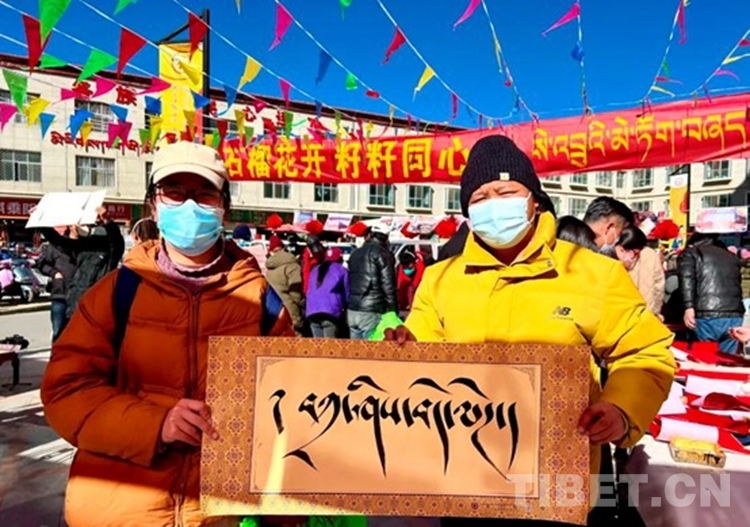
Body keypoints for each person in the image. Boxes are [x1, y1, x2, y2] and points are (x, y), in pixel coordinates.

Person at [384, 135, 675, 526]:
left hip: (555, 484)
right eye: (480, 198)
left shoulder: (592, 272)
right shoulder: (440, 279)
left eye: (506, 192)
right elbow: (424, 354)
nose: (493, 204)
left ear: (534, 200)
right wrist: (404, 349)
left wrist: (622, 408)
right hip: (466, 479)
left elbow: (644, 352)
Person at [40, 141, 295, 527]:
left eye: (205, 194)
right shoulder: (116, 294)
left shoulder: (262, 302)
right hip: (120, 511)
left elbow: (295, 406)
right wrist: (154, 425)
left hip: (216, 515)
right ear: (154, 207)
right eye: (174, 192)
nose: (190, 205)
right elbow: (66, 392)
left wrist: (385, 368)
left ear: (224, 208)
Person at [39, 207, 125, 320]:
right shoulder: (84, 248)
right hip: (75, 305)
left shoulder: (111, 252)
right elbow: (60, 242)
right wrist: (39, 221)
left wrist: (107, 221)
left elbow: (116, 240)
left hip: (97, 307)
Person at [678, 232, 745, 353]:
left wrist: (688, 307)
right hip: (734, 313)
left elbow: (686, 280)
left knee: (703, 357)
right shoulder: (731, 256)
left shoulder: (691, 253)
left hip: (705, 313)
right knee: (727, 358)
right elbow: (737, 283)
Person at [347, 223, 398, 340]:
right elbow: (388, 285)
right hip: (372, 310)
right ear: (386, 237)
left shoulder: (355, 253)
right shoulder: (382, 254)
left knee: (355, 350)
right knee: (372, 349)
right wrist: (393, 312)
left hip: (353, 309)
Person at [37, 227, 76, 341]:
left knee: (75, 333)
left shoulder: (84, 247)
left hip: (78, 296)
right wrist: (54, 273)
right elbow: (42, 264)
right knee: (58, 331)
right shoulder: (55, 246)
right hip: (60, 295)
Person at [618, 228, 665, 317]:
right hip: (646, 312)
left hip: (622, 313)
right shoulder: (651, 254)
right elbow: (659, 285)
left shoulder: (616, 253)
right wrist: (655, 311)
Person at [265, 234, 306, 336]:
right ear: (283, 248)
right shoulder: (293, 265)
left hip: (271, 310)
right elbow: (295, 292)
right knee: (295, 340)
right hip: (289, 309)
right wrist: (303, 303)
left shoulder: (269, 268)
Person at [306, 246, 349, 338]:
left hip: (312, 312)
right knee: (329, 345)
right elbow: (347, 293)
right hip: (330, 313)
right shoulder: (341, 270)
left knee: (317, 345)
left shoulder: (314, 270)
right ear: (340, 258)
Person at [396, 247, 425, 314]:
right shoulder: (401, 269)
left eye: (408, 266)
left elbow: (418, 287)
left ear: (414, 263)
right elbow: (401, 287)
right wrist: (403, 305)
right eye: (404, 266)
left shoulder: (421, 269)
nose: (406, 268)